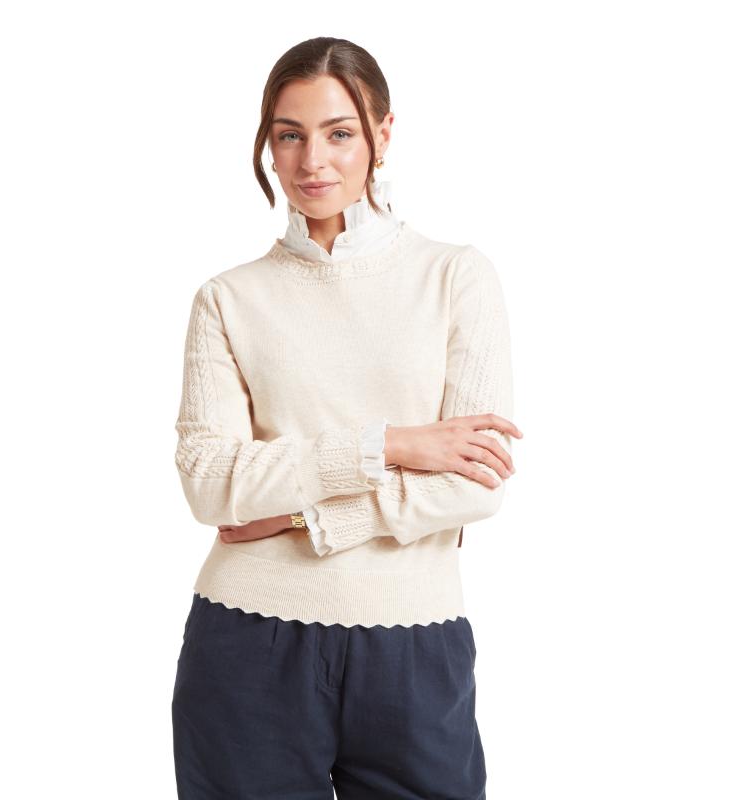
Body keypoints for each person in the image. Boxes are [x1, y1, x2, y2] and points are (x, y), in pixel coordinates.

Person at [171, 36, 523, 800]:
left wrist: (307, 519)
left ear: (382, 134)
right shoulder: (228, 299)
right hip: (246, 638)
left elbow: (476, 481)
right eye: (288, 135)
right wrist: (389, 445)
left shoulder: (455, 277)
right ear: (268, 144)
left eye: (339, 133)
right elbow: (209, 482)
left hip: (415, 642)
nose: (312, 162)